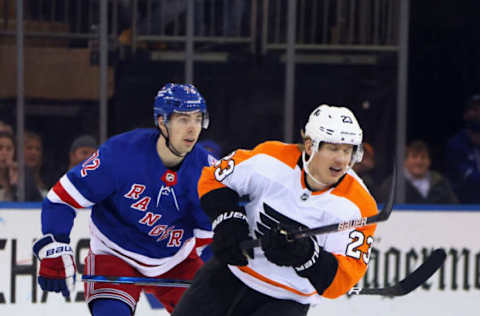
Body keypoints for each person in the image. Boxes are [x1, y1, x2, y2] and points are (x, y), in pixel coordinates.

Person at [173, 104, 378, 316]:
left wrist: (306, 254)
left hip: (287, 300)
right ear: (310, 146)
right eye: (333, 149)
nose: (342, 159)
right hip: (230, 274)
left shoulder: (360, 206)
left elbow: (341, 281)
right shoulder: (271, 158)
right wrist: (228, 222)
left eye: (348, 150)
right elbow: (214, 178)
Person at [32, 83, 217, 315]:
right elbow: (61, 199)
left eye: (198, 119)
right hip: (114, 252)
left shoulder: (207, 171)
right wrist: (55, 245)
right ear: (162, 121)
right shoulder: (120, 154)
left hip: (175, 261)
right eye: (183, 119)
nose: (193, 129)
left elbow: (210, 236)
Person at [378, 140, 458, 204]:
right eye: (414, 156)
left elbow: (454, 209)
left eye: (423, 157)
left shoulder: (441, 184)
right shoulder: (392, 185)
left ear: (429, 161)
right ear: (405, 161)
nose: (419, 161)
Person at [445, 94, 480, 203]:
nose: (479, 113)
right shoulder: (456, 145)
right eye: (475, 109)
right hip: (463, 209)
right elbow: (467, 178)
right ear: (465, 115)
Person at [0, 131, 42, 201]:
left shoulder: (24, 174)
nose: (4, 153)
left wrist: (17, 184)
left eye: (9, 149)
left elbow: (36, 202)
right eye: (0, 148)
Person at [24, 131, 49, 197]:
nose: (34, 153)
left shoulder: (48, 180)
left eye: (38, 149)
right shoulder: (14, 181)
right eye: (29, 148)